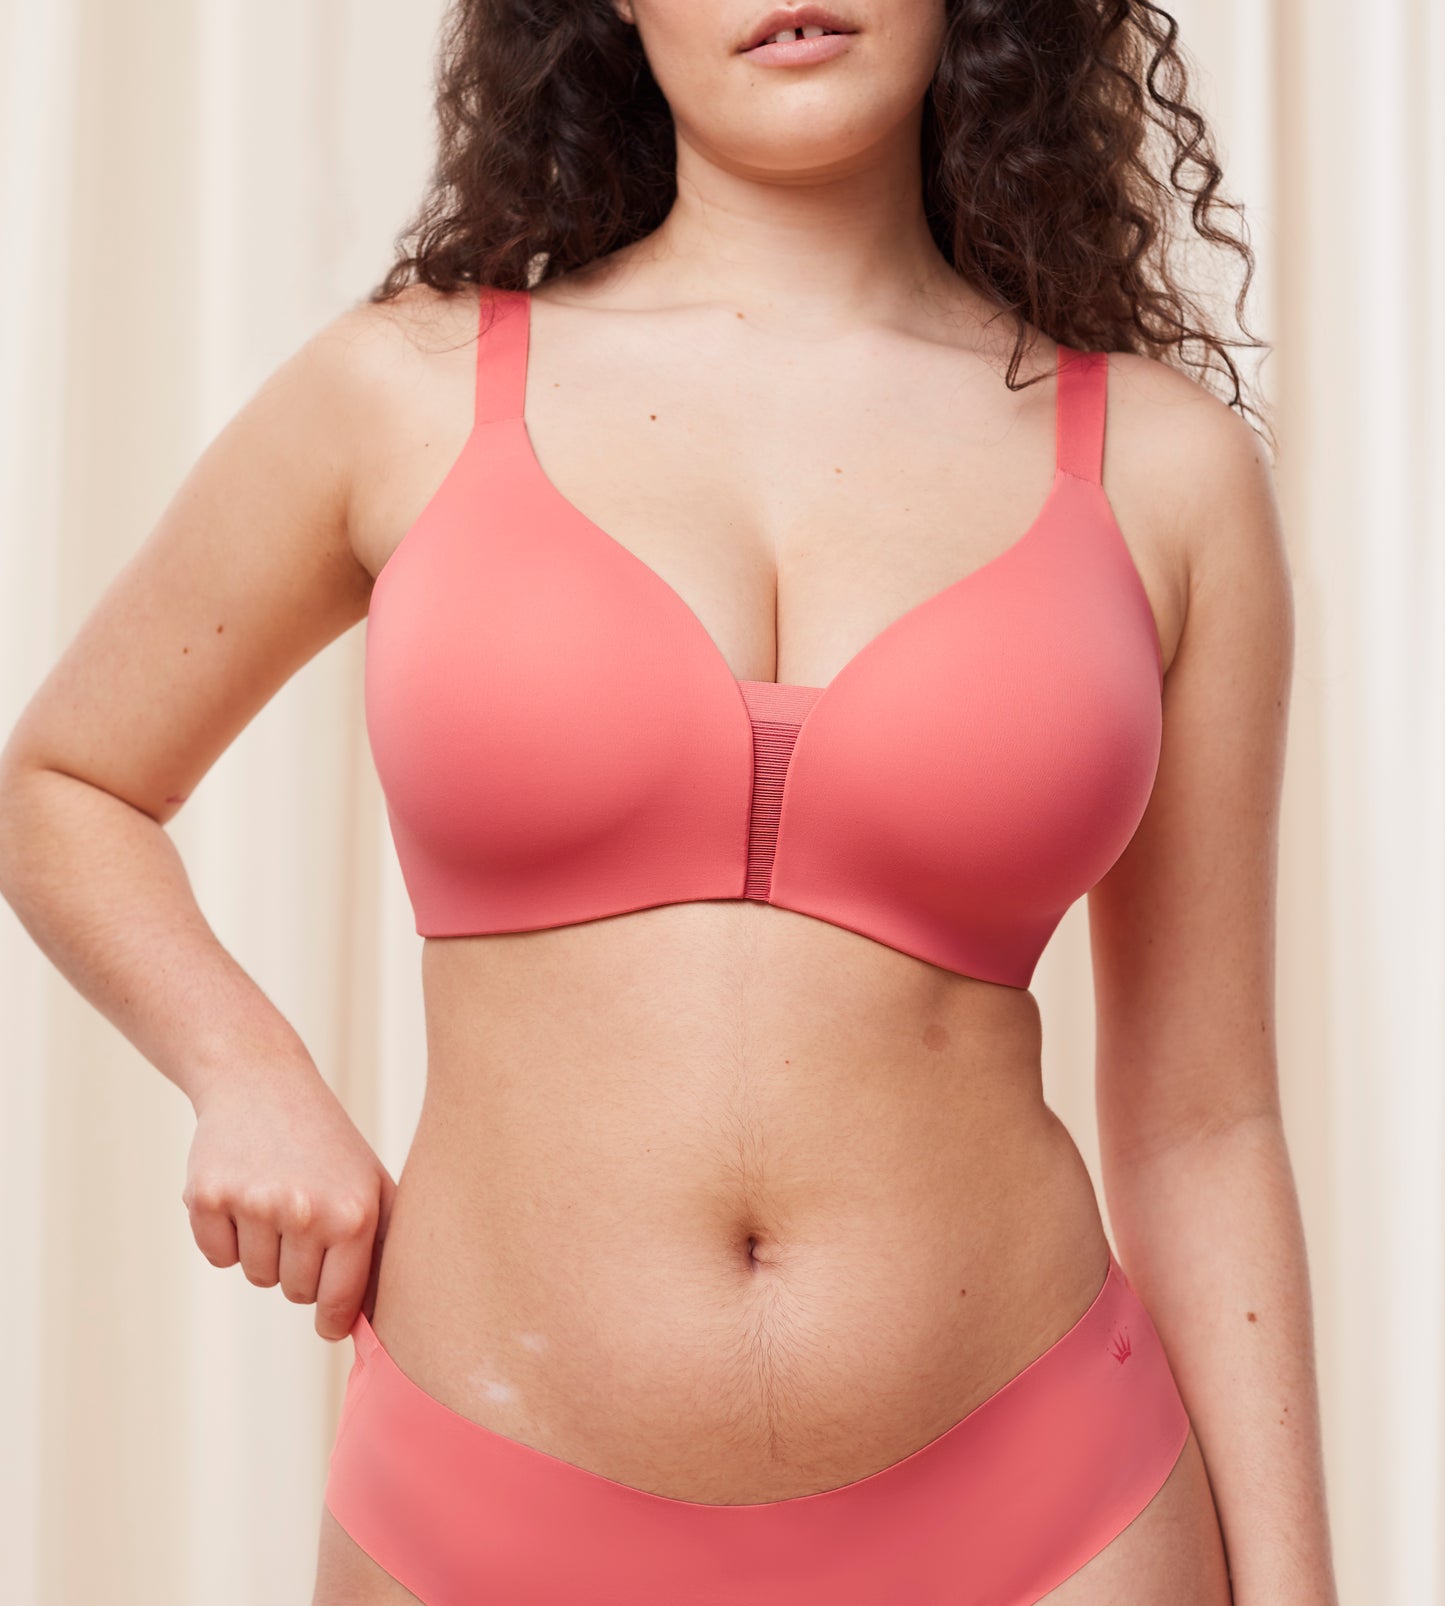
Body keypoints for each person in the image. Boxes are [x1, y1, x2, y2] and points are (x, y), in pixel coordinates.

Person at [0, 2, 1339, 1602]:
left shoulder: (1165, 474)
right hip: (481, 1503)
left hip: (1051, 1501)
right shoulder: (404, 391)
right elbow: (66, 780)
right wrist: (250, 1073)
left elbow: (1202, 1123)